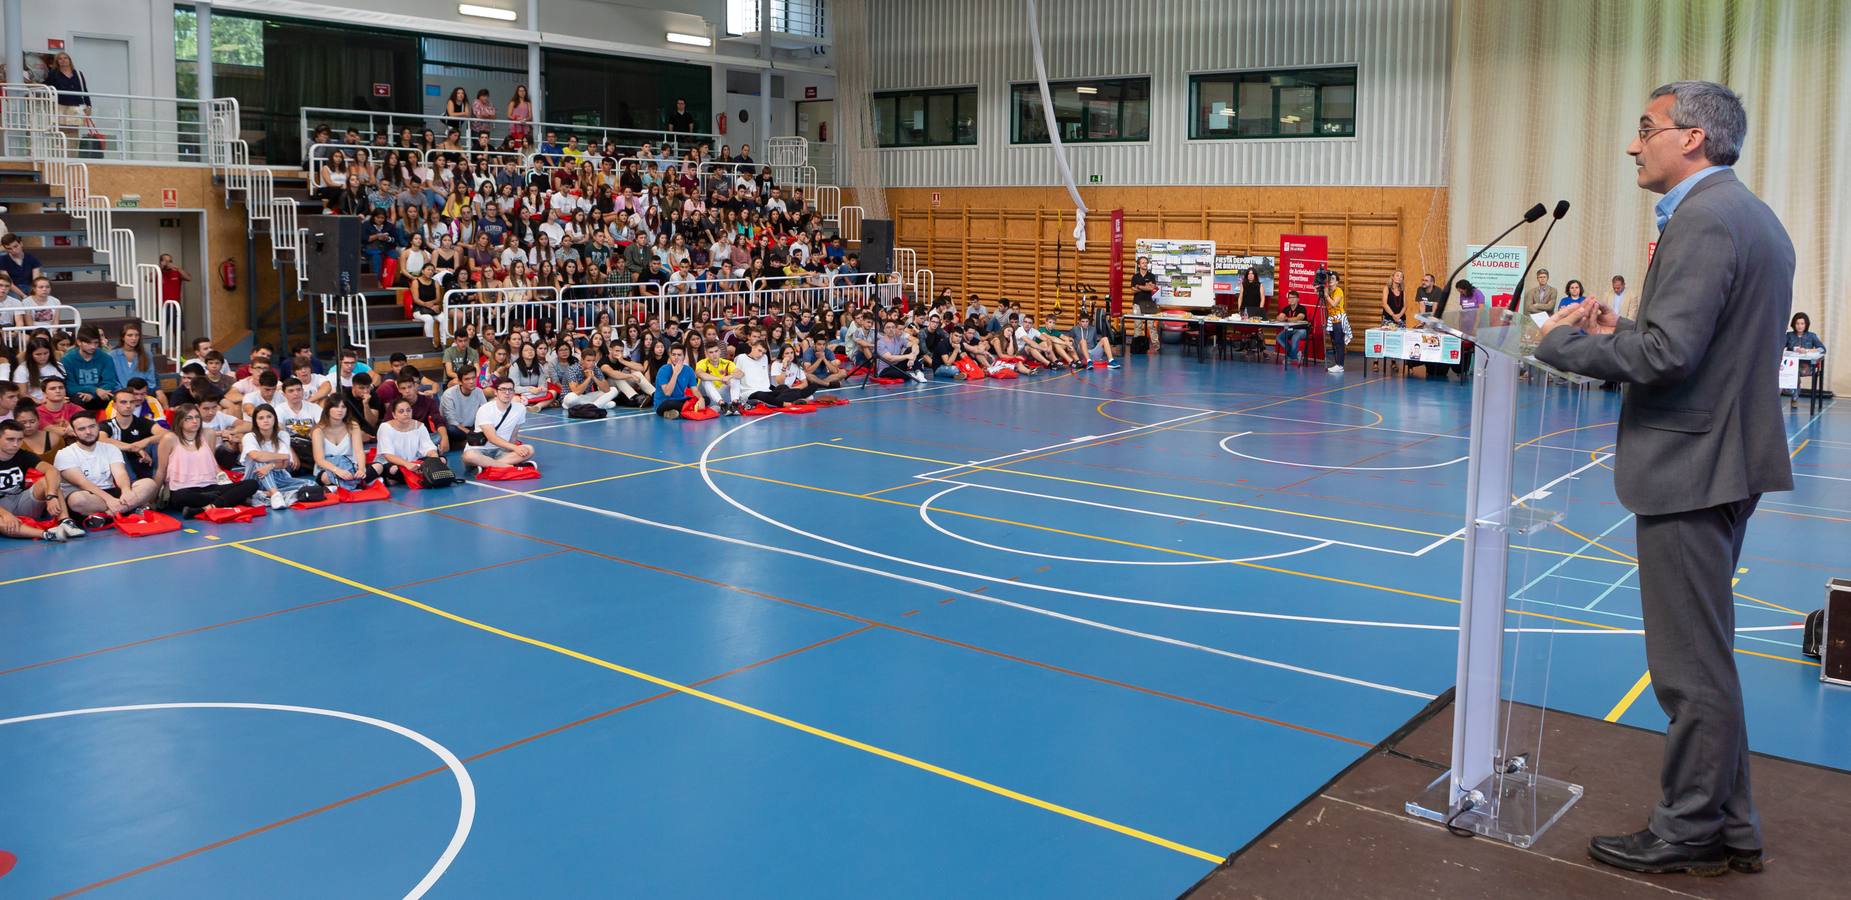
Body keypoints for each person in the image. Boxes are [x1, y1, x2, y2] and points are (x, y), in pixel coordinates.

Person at [1536, 80, 1792, 878]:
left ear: (1691, 138)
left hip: (1692, 464)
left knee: (1687, 671)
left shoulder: (1704, 219)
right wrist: (1629, 329)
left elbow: (1667, 359)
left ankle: (1686, 831)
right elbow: (1683, 341)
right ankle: (1730, 825)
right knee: (1706, 659)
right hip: (1720, 455)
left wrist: (1557, 343)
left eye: (1643, 128)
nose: (1631, 144)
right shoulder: (1744, 215)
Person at [154, 403, 263, 517]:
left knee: (252, 484)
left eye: (197, 417)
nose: (195, 421)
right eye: (189, 418)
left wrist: (222, 475)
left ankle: (206, 508)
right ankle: (224, 501)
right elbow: (161, 471)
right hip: (184, 489)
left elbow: (212, 462)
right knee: (180, 497)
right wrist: (152, 499)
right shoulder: (170, 439)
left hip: (210, 486)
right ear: (180, 421)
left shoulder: (208, 434)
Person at [56, 412, 158, 521]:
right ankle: (128, 509)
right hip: (87, 495)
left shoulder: (110, 448)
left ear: (97, 427)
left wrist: (126, 491)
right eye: (82, 429)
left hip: (111, 491)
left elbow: (120, 473)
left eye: (92, 426)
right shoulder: (64, 454)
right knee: (77, 500)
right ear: (74, 432)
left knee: (149, 484)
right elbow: (82, 483)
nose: (88, 432)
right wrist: (109, 500)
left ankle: (107, 515)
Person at [0, 419, 83, 540]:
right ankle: (48, 534)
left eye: (19, 440)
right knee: (3, 523)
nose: (15, 444)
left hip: (20, 501)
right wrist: (5, 514)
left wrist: (51, 495)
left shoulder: (23, 455)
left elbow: (52, 470)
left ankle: (65, 522)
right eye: (10, 439)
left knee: (49, 481)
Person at [241, 404, 320, 509]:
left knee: (311, 484)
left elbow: (285, 463)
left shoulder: (283, 435)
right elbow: (256, 456)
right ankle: (275, 494)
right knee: (260, 459)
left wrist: (271, 465)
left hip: (278, 476)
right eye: (261, 418)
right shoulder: (250, 437)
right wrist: (283, 456)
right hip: (254, 477)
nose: (266, 420)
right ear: (256, 422)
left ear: (275, 418)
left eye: (269, 416)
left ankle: (264, 494)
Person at [464, 378, 534, 471]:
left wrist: (514, 450)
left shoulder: (520, 409)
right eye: (503, 389)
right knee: (469, 456)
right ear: (496, 392)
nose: (507, 393)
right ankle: (509, 467)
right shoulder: (485, 409)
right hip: (480, 449)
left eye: (510, 389)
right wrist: (514, 448)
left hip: (501, 451)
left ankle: (487, 465)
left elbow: (514, 435)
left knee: (529, 449)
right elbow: (492, 438)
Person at [100, 388, 160, 481]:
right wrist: (134, 448)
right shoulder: (107, 425)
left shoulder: (143, 422)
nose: (128, 406)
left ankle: (159, 479)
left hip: (145, 462)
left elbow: (167, 435)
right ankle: (132, 484)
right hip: (120, 470)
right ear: (114, 405)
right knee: (116, 449)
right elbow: (101, 439)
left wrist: (146, 441)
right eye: (123, 402)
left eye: (132, 402)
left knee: (158, 443)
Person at [374, 398, 441, 482]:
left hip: (414, 462)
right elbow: (388, 455)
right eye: (401, 411)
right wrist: (406, 464)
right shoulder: (385, 427)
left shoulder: (420, 426)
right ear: (394, 415)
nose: (406, 414)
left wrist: (434, 457)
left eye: (408, 410)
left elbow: (428, 447)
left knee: (442, 460)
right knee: (394, 469)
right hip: (393, 463)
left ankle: (407, 477)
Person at [310, 401, 368, 490]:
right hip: (327, 468)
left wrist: (361, 469)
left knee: (378, 466)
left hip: (350, 466)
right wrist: (338, 471)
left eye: (343, 407)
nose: (340, 410)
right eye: (336, 407)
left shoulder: (353, 426)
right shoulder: (318, 430)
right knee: (326, 477)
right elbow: (319, 460)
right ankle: (353, 484)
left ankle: (340, 486)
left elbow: (359, 451)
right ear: (328, 409)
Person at [60, 326, 119, 410]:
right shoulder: (67, 359)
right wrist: (95, 390)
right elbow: (70, 387)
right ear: (79, 342)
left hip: (100, 395)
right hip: (79, 395)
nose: (93, 346)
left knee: (110, 397)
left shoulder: (106, 358)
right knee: (78, 399)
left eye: (95, 343)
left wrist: (93, 395)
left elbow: (109, 382)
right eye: (88, 343)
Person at [1782, 312, 1825, 408]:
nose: (1800, 326)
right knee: (1790, 372)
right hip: (1791, 366)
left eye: (1802, 323)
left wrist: (1807, 350)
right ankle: (1792, 393)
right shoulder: (1789, 335)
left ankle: (1794, 397)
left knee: (1795, 373)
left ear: (1806, 325)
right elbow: (1780, 347)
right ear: (1794, 324)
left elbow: (1822, 349)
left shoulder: (1812, 336)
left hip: (1807, 366)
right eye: (1797, 323)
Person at [695, 342, 742, 414]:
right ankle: (722, 404)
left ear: (719, 351)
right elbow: (700, 374)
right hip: (706, 396)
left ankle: (734, 404)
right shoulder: (702, 363)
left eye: (716, 351)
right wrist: (720, 379)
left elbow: (741, 373)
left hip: (721, 393)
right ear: (706, 354)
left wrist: (729, 377)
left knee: (735, 377)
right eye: (711, 352)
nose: (714, 354)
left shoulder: (728, 363)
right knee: (705, 379)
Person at [653, 344, 698, 419]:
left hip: (680, 400)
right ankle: (691, 409)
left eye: (679, 355)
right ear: (670, 356)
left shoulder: (689, 370)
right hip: (664, 402)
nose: (676, 357)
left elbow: (695, 390)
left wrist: (701, 399)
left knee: (706, 399)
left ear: (684, 356)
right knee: (669, 404)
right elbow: (667, 393)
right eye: (673, 355)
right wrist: (675, 373)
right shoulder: (663, 370)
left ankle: (675, 412)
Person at [1324, 273, 1351, 374]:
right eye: (1329, 278)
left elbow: (1334, 303)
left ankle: (1340, 365)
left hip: (1339, 319)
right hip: (1332, 319)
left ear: (1337, 282)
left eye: (1333, 278)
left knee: (1339, 343)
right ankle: (1337, 364)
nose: (1330, 280)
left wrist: (1326, 295)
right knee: (1334, 342)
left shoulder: (1338, 291)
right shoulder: (1329, 291)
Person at [1276, 295, 1310, 362]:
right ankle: (1294, 355)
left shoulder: (1302, 308)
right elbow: (1279, 317)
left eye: (1293, 298)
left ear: (1298, 299)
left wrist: (1286, 319)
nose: (1291, 299)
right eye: (1289, 298)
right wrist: (1280, 317)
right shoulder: (1286, 308)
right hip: (1290, 329)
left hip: (1302, 330)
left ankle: (1290, 357)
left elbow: (1299, 318)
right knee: (1279, 337)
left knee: (1295, 337)